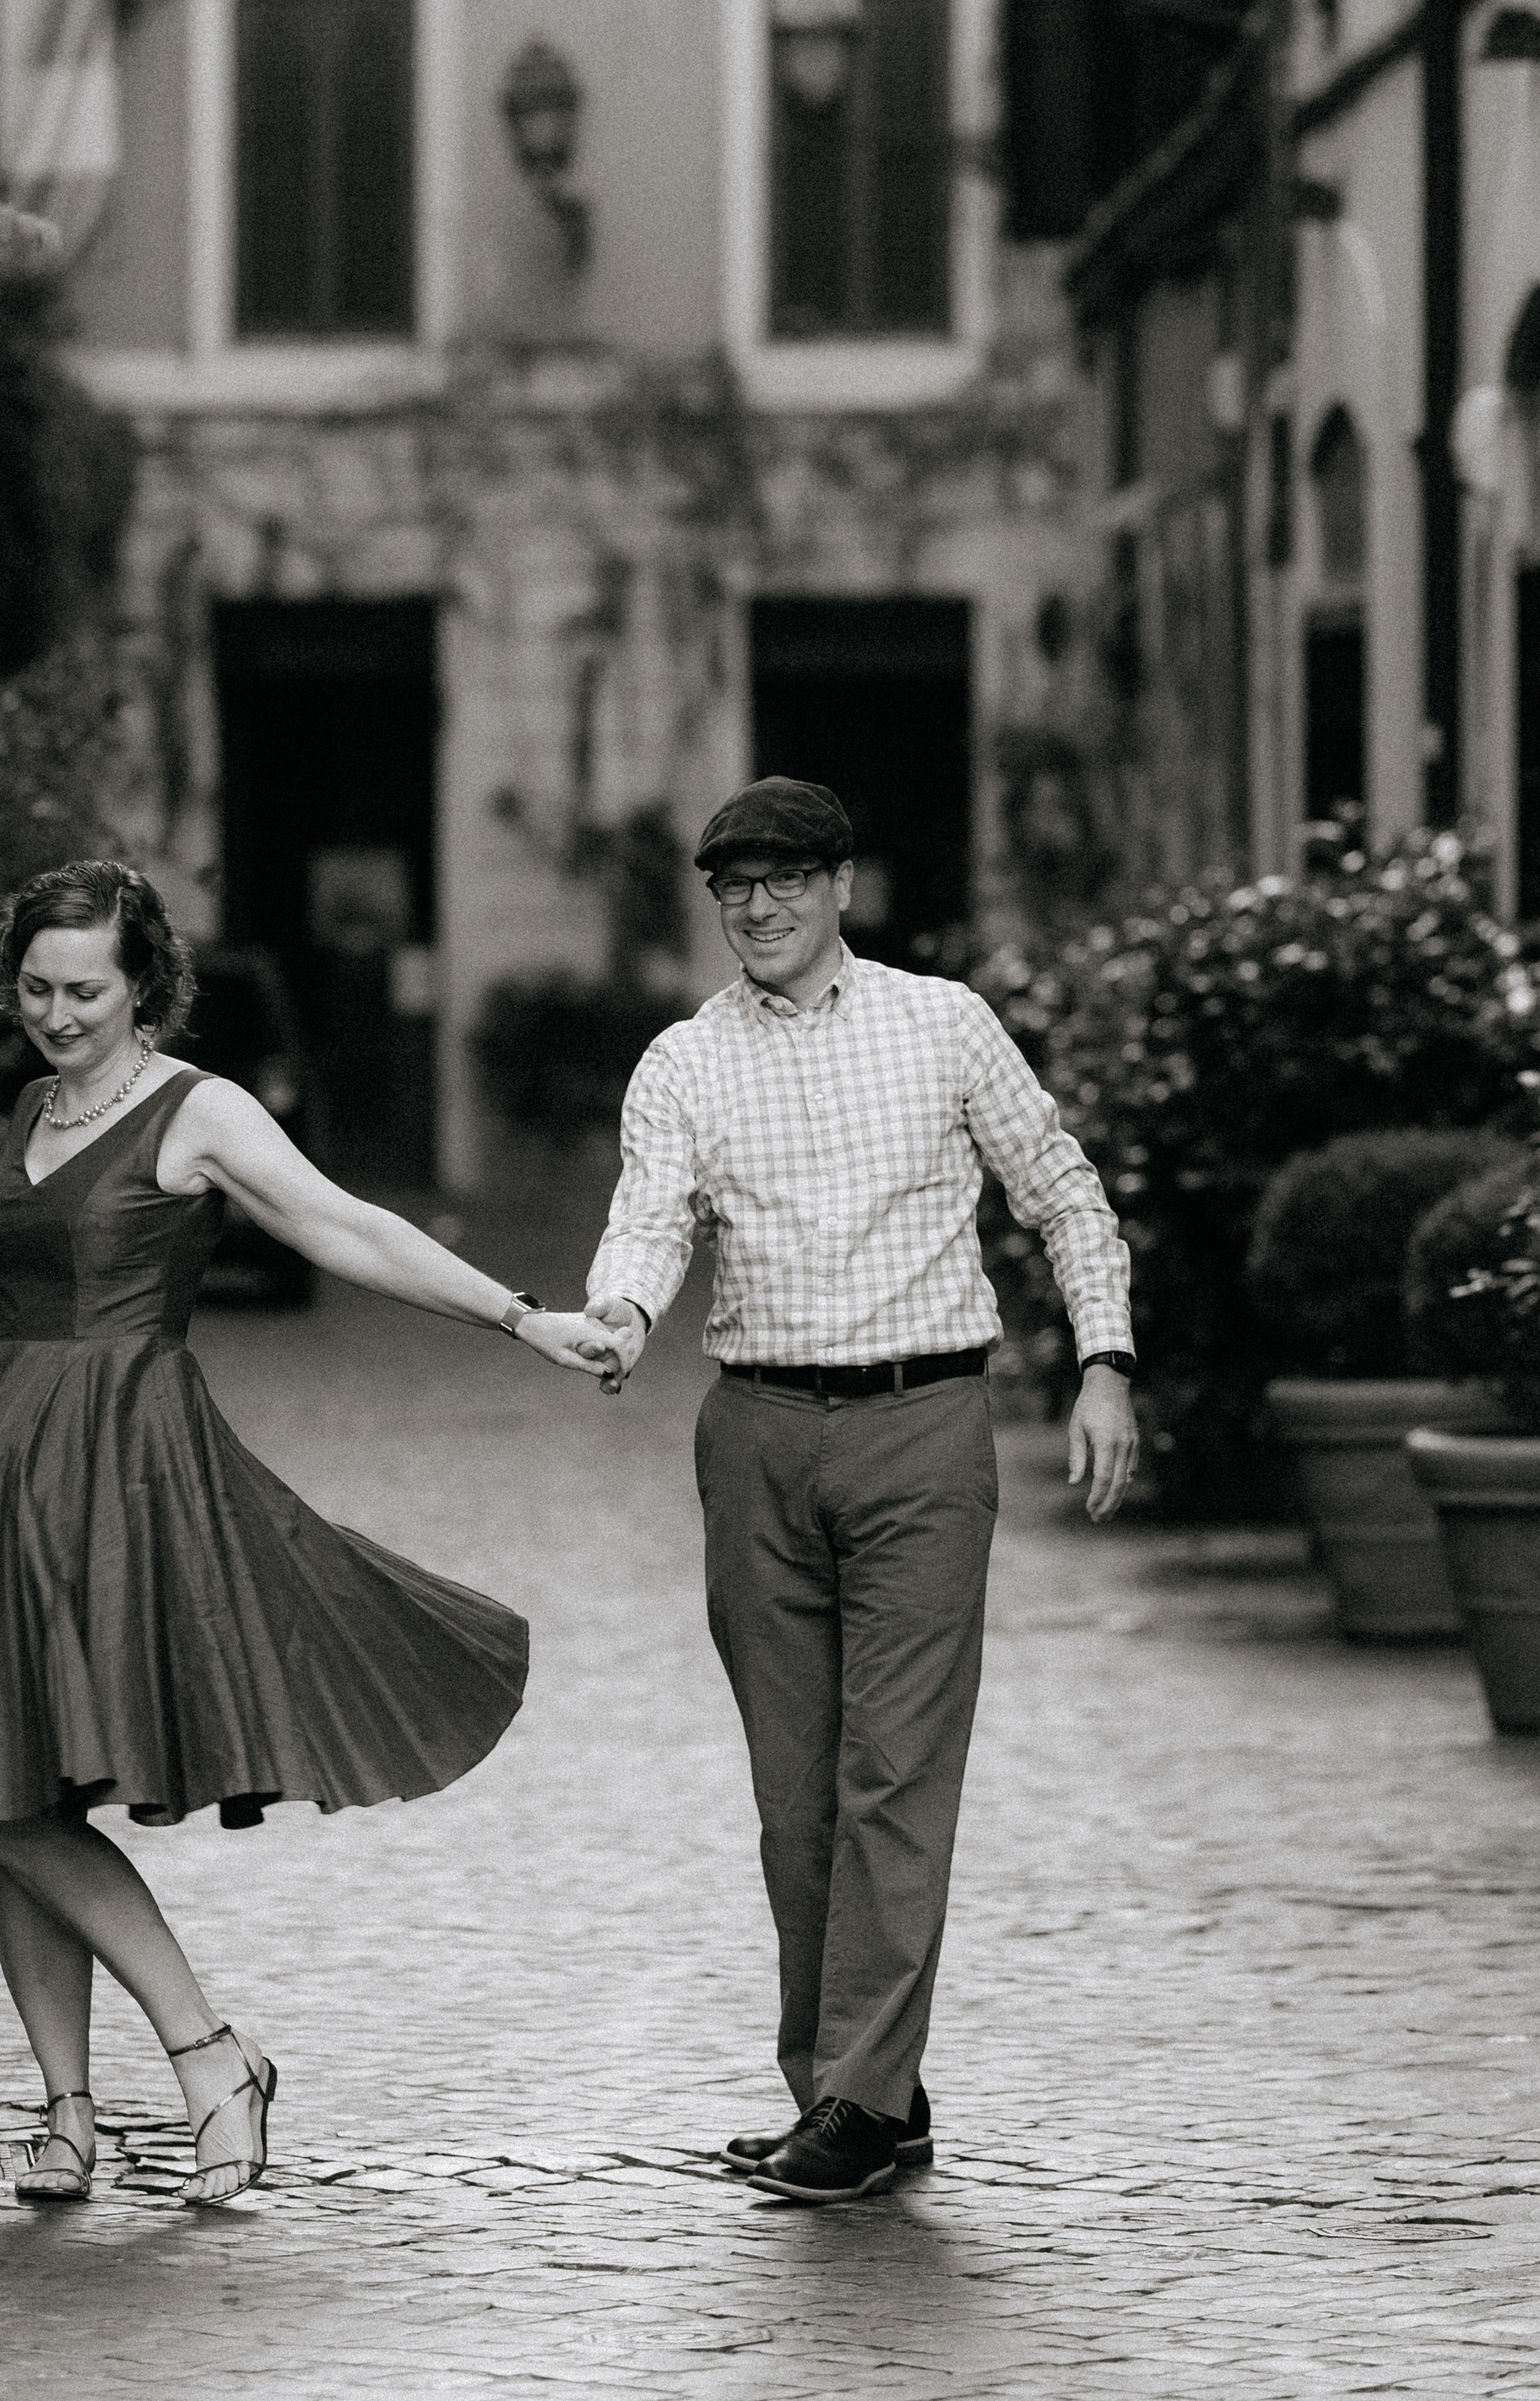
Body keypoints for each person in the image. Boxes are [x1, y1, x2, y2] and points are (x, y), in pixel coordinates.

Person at [0, 858, 620, 2209]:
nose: (56, 1015)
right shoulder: (33, 1105)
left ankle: (209, 2056)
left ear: (144, 987)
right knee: (11, 1786)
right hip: (1, 1455)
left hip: (122, 1466)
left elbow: (343, 1227)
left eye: (84, 991)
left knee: (9, 1803)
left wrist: (527, 1320)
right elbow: (31, 1274)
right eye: (35, 989)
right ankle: (65, 2116)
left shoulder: (201, 1110)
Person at [583, 778, 1138, 2209]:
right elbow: (648, 1221)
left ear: (842, 886)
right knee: (796, 1797)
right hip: (757, 1437)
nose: (756, 907)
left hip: (922, 1432)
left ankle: (852, 2095)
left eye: (783, 880)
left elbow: (1062, 1190)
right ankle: (863, 2093)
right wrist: (621, 1320)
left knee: (895, 1775)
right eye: (732, 886)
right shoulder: (684, 1063)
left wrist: (1106, 1362)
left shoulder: (942, 1025)